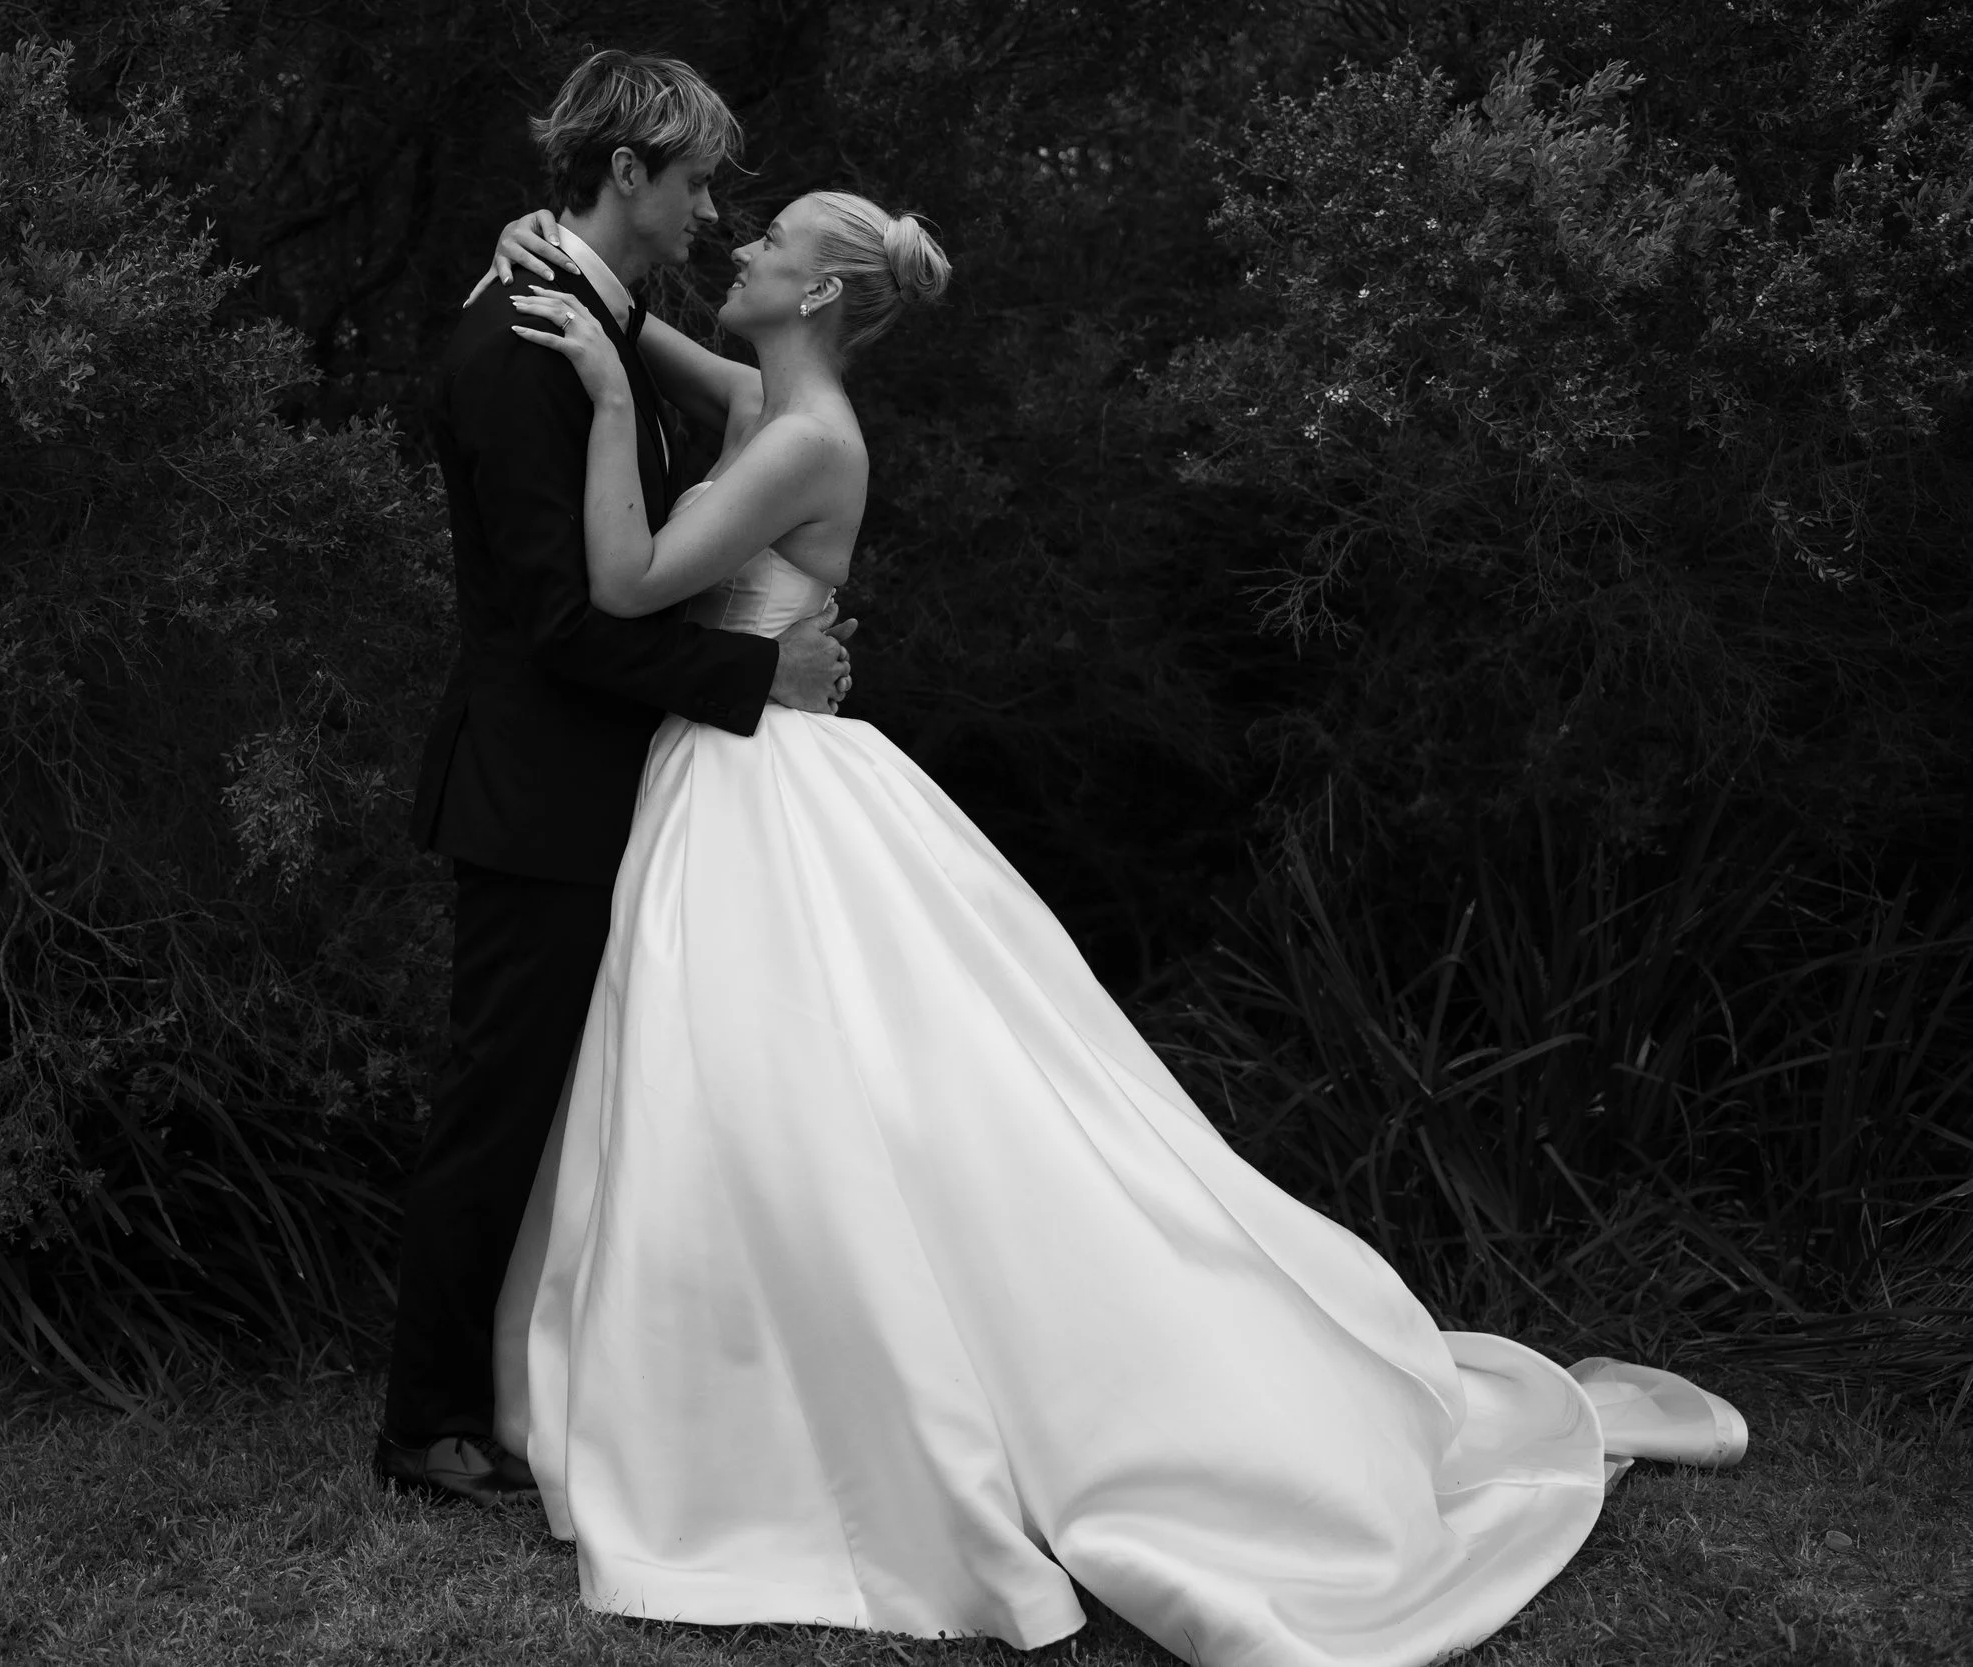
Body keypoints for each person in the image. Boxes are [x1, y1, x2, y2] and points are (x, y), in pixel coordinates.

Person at [473, 192, 1751, 1663]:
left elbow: (630, 581)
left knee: (804, 1087)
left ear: (816, 294)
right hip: (745, 767)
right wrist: (578, 279)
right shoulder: (773, 398)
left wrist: (598, 396)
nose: (741, 250)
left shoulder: (804, 437)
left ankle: (827, 1405)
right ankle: (725, 1375)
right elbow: (676, 348)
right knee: (750, 1093)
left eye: (770, 244)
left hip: (764, 782)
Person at [379, 49, 856, 1505]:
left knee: (589, 1112)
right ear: (628, 172)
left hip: (606, 789)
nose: (713, 212)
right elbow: (563, 624)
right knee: (499, 1104)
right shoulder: (524, 346)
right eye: (697, 181)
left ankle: (564, 1381)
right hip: (536, 794)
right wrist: (755, 677)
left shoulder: (582, 318)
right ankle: (426, 1419)